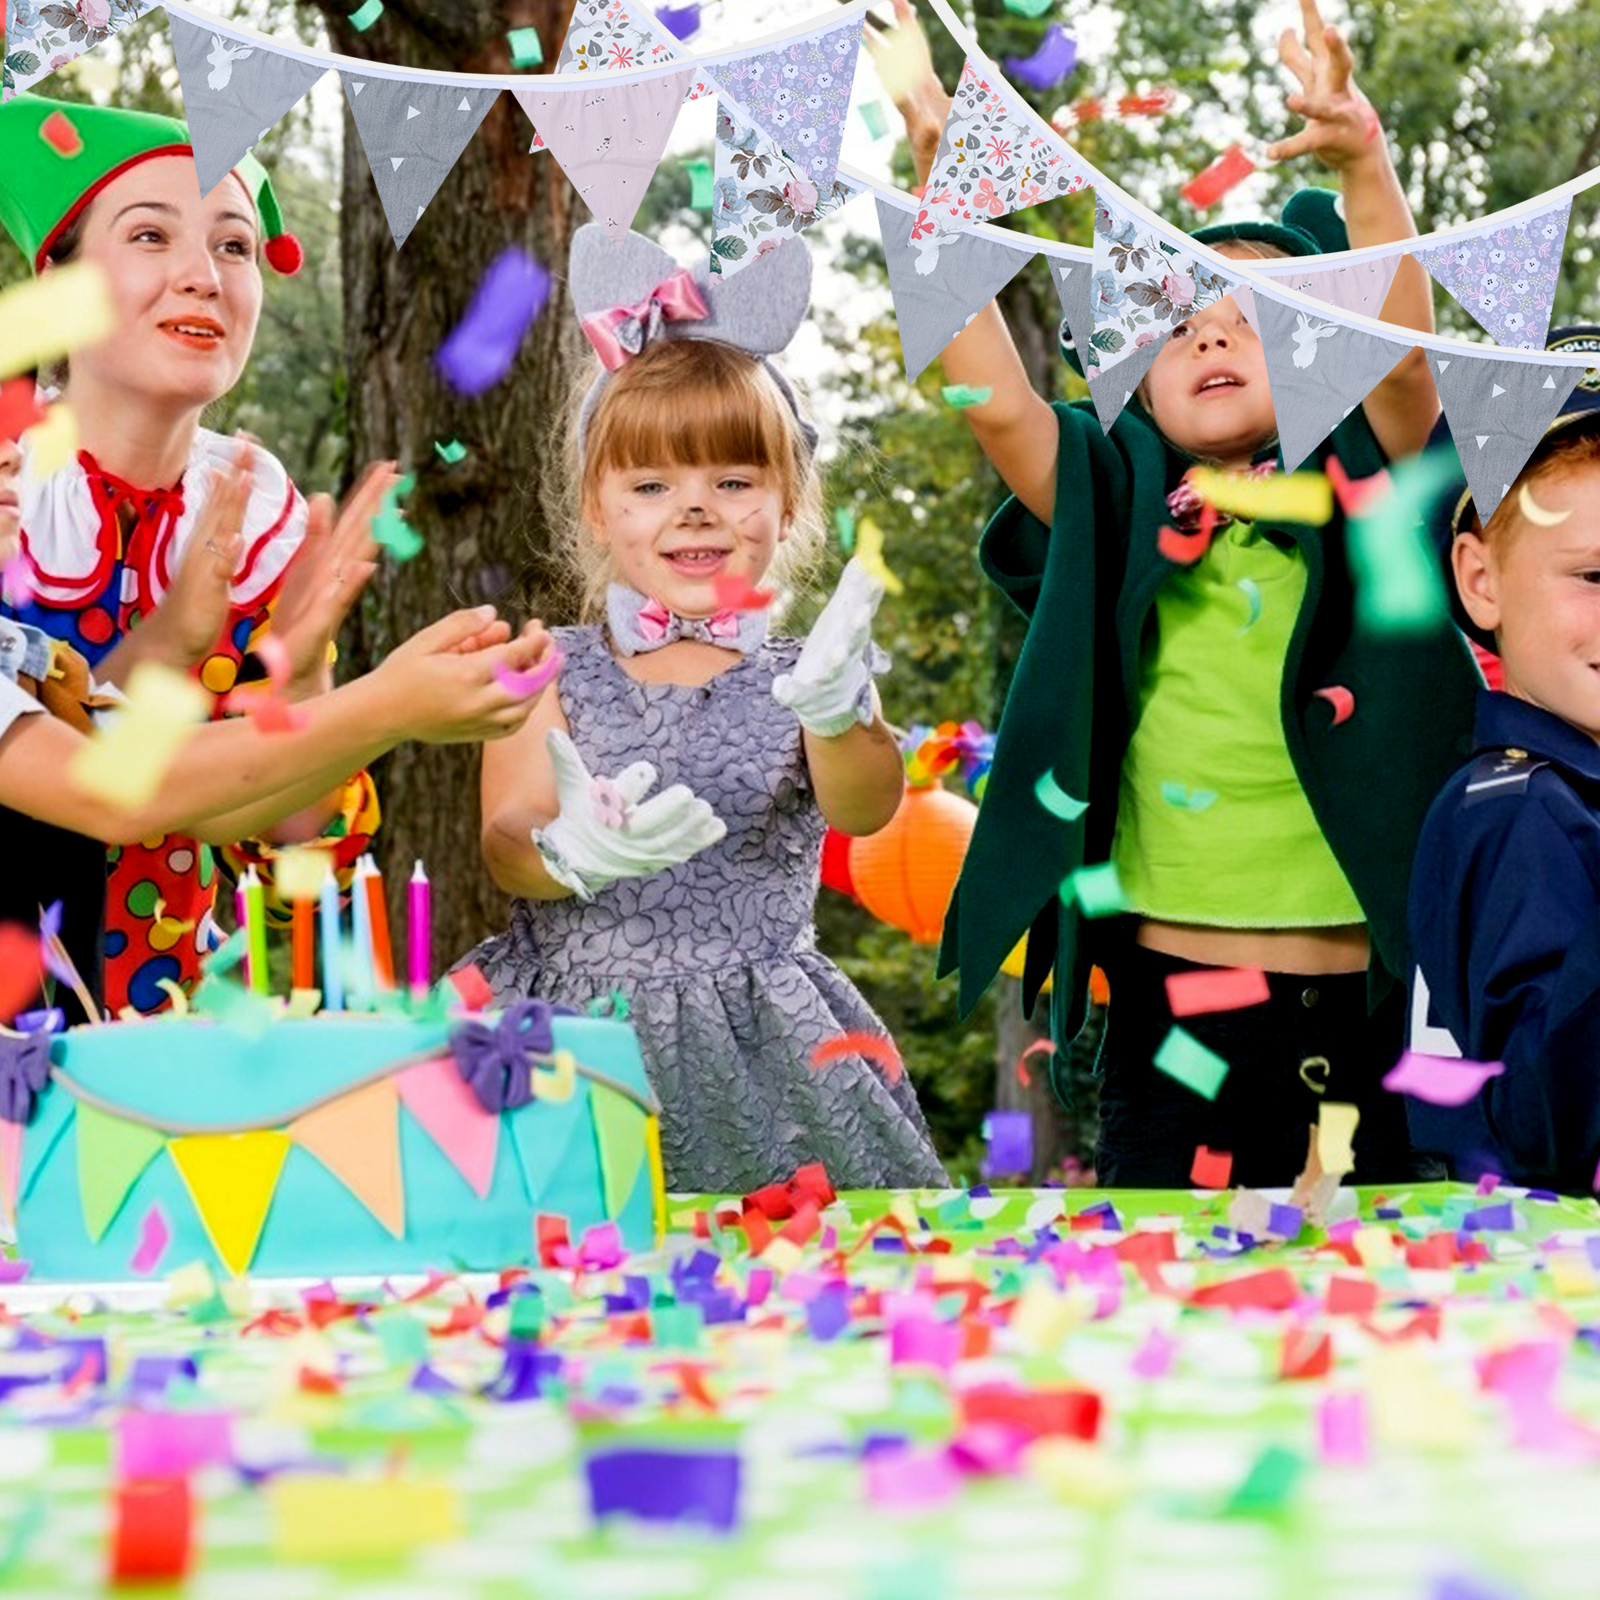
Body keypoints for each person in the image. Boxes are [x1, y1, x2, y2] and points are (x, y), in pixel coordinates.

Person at [871, 0, 1480, 1185]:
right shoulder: (1113, 488)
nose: (1210, 339)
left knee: (1384, 1282)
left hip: (1371, 1013)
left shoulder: (1377, 478)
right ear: (1131, 380)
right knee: (1176, 1278)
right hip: (1175, 1018)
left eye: (1252, 322)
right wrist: (944, 193)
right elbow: (996, 406)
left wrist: (1362, 159)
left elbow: (1404, 362)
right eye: (1178, 326)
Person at [461, 224, 946, 1192]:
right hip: (569, 1041)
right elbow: (505, 839)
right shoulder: (545, 663)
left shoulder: (815, 667)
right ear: (596, 507)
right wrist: (567, 850)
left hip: (768, 1048)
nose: (695, 508)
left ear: (787, 500)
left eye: (733, 481)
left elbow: (864, 809)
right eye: (651, 484)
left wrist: (839, 713)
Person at [0, 91, 386, 1015]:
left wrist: (299, 684)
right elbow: (77, 786)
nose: (204, 276)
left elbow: (288, 848)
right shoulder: (7, 481)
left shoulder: (260, 514)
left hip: (170, 1028)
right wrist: (173, 641)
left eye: (234, 245)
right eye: (149, 234)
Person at [0, 429, 553, 1018]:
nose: (10, 452)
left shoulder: (26, 658)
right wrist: (388, 703)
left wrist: (318, 689)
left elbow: (210, 813)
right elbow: (112, 793)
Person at [1407, 382, 1600, 1194]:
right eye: (1594, 574)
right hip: (1550, 1258)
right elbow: (1545, 1127)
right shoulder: (1525, 815)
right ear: (1482, 581)